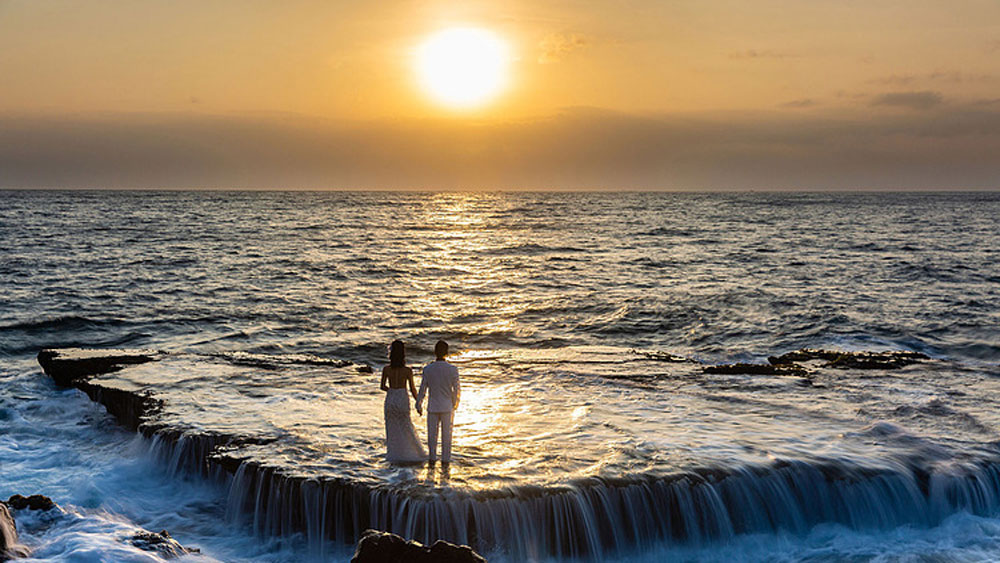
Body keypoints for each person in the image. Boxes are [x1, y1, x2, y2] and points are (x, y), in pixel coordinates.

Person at [380, 340, 426, 463]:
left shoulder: (386, 369)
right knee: (406, 426)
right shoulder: (407, 371)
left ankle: (394, 454)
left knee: (392, 428)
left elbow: (382, 387)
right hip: (402, 398)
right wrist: (418, 403)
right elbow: (412, 389)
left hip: (391, 398)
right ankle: (411, 453)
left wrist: (391, 391)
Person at [416, 340, 461, 464]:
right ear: (446, 352)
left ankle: (432, 459)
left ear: (435, 352)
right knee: (447, 437)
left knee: (432, 437)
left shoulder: (428, 369)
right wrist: (455, 403)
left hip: (433, 406)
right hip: (447, 406)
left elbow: (423, 389)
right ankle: (445, 461)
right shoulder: (452, 369)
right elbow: (457, 389)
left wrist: (418, 404)